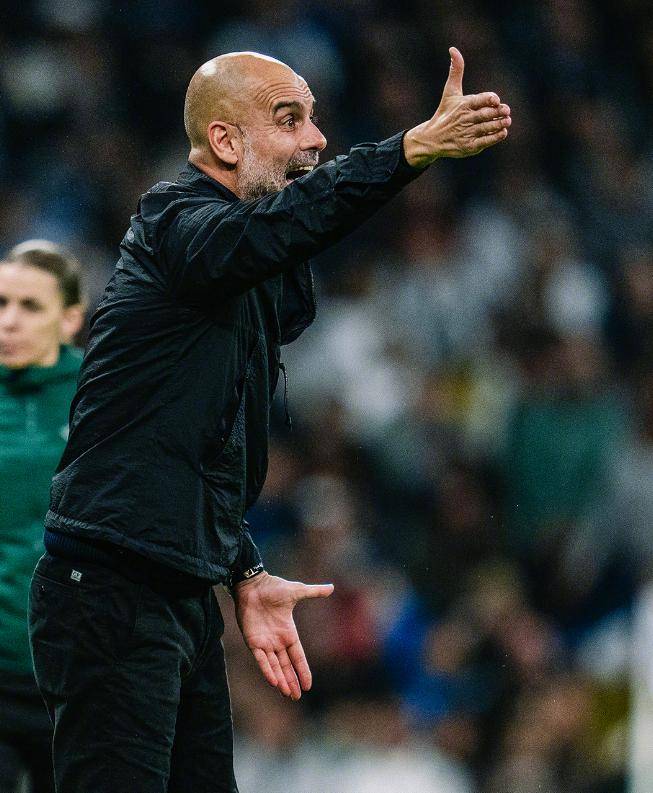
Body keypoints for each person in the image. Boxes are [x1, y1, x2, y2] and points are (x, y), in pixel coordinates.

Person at [28, 48, 511, 792]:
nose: (315, 138)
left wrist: (244, 570)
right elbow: (284, 226)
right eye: (289, 119)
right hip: (110, 592)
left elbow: (188, 450)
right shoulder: (175, 222)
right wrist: (408, 150)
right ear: (225, 141)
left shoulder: (234, 282)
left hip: (179, 593)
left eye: (313, 119)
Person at [0, 241, 84, 793]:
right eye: (1, 304)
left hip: (77, 672)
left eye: (30, 306)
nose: (9, 321)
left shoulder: (102, 396)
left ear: (70, 319)